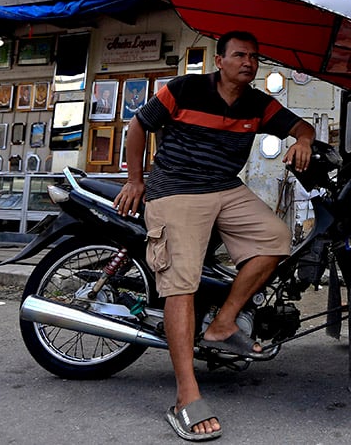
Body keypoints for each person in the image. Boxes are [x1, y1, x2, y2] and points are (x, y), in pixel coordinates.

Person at [113, 31, 314, 441]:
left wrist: (305, 140)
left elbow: (300, 125)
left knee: (276, 238)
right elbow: (137, 127)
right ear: (219, 61)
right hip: (176, 189)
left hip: (224, 187)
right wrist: (136, 181)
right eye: (240, 55)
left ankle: (223, 324)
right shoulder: (185, 88)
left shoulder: (257, 103)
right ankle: (187, 395)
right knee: (181, 284)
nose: (249, 62)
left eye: (254, 57)